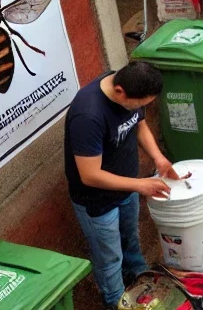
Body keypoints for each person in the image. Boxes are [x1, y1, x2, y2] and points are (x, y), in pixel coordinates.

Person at [65, 61, 179, 309]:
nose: (141, 109)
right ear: (120, 93)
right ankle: (117, 300)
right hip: (97, 201)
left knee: (130, 237)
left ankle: (138, 274)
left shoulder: (127, 84)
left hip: (127, 186)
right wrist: (139, 185)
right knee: (109, 258)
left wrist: (158, 158)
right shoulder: (89, 115)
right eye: (139, 104)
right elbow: (89, 175)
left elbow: (139, 125)